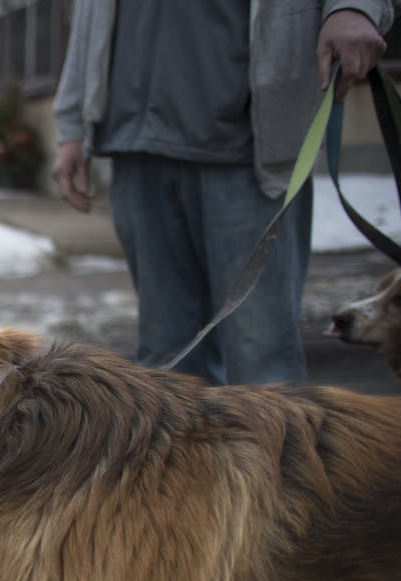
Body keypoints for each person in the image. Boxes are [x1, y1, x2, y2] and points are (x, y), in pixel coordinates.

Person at [51, 1, 395, 386]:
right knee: (163, 368)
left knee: (263, 367)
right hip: (134, 146)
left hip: (246, 148)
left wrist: (353, 6)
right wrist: (72, 125)